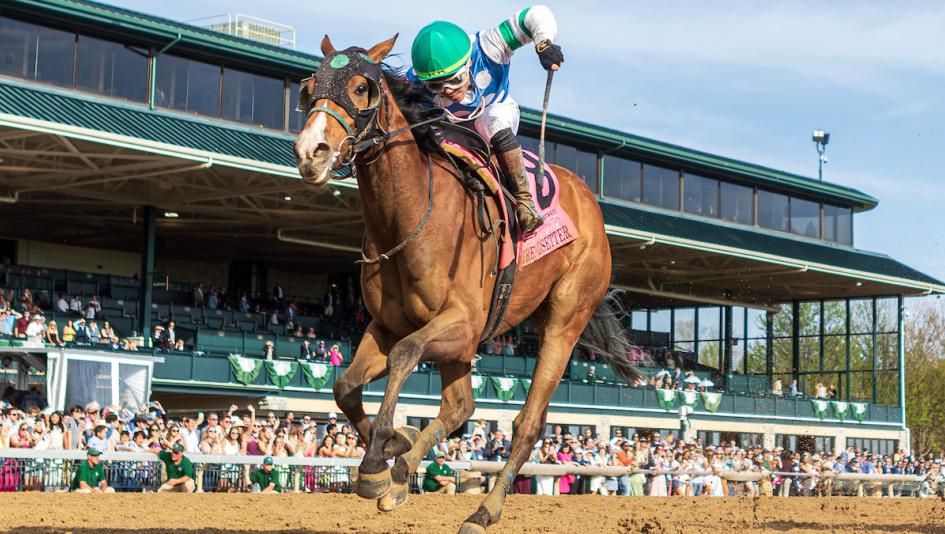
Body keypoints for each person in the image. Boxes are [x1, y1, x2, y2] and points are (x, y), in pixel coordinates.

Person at [407, 7, 564, 233]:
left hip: (495, 118)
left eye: (454, 79)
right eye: (436, 86)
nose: (448, 91)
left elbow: (534, 14)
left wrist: (543, 43)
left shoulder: (489, 46)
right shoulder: (413, 81)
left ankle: (524, 201)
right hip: (450, 131)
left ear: (468, 63)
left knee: (493, 118)